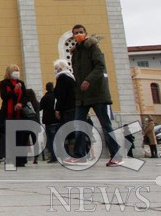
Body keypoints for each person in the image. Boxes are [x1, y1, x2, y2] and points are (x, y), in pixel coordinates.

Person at [67, 24, 122, 167]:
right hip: (83, 95)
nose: (78, 34)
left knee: (105, 125)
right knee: (78, 124)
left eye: (80, 32)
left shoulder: (93, 48)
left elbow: (100, 66)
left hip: (97, 93)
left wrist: (88, 80)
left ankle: (116, 155)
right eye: (76, 33)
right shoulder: (76, 53)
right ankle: (79, 155)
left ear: (85, 33)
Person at [0, 64, 28, 167]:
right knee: (10, 138)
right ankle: (11, 158)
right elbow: (4, 96)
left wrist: (20, 104)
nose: (17, 73)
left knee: (21, 138)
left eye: (18, 70)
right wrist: (14, 90)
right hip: (8, 115)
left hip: (20, 115)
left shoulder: (21, 83)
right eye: (14, 71)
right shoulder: (3, 83)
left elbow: (25, 97)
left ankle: (21, 159)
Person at [53, 59, 76, 158]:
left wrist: (57, 109)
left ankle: (68, 154)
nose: (55, 71)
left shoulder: (62, 78)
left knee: (65, 131)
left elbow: (60, 95)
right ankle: (75, 153)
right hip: (73, 107)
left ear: (60, 68)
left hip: (66, 109)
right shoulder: (71, 77)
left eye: (56, 69)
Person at [40, 82, 58, 163]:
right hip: (58, 120)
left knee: (51, 140)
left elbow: (40, 108)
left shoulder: (45, 98)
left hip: (49, 121)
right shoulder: (57, 96)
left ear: (46, 88)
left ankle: (54, 156)